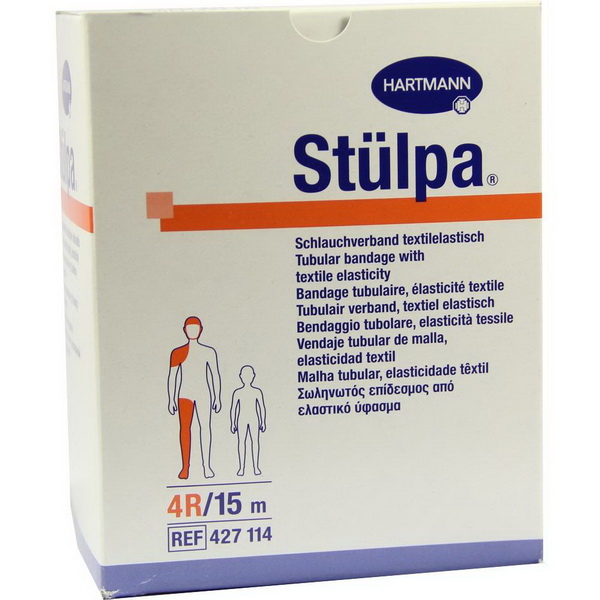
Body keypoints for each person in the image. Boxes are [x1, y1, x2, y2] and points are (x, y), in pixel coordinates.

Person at [167, 316, 221, 479]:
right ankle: (185, 468)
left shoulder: (209, 352)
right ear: (184, 330)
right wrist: (171, 398)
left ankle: (207, 466)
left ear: (201, 330)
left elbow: (215, 375)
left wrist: (217, 396)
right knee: (185, 429)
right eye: (189, 328)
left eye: (195, 328)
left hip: (203, 393)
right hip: (184, 395)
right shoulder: (177, 352)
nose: (192, 331)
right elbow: (172, 377)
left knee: (206, 428)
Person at [230, 366, 266, 476]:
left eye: (249, 376)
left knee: (255, 441)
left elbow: (262, 407)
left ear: (253, 376)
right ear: (241, 377)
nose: (247, 378)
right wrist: (232, 422)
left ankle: (256, 467)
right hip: (241, 419)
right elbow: (233, 408)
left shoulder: (257, 392)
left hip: (254, 419)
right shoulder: (237, 392)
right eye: (245, 376)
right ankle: (241, 468)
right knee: (241, 442)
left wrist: (263, 421)